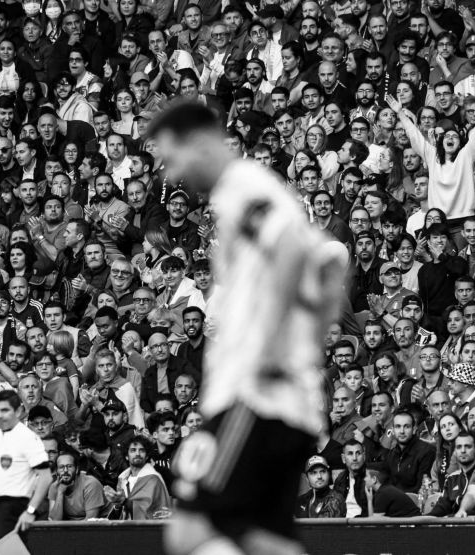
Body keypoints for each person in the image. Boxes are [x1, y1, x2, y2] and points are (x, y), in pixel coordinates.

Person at [151, 103, 348, 555]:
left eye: (173, 159)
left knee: (190, 532)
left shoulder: (242, 186)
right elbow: (327, 264)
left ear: (199, 143)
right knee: (262, 541)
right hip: (279, 398)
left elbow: (293, 248)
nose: (172, 173)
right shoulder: (240, 193)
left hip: (253, 394)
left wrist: (271, 352)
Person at [0, 390, 51, 551]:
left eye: (5, 410)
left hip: (13, 507)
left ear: (18, 411)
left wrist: (30, 511)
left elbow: (46, 477)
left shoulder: (28, 437)